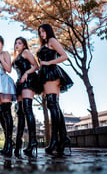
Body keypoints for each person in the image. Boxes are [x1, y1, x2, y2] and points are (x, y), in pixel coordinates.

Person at [36, 23, 73, 155]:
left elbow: (64, 56)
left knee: (52, 105)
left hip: (52, 73)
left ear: (48, 31)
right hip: (45, 74)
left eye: (43, 31)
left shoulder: (52, 40)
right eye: (40, 32)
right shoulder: (45, 44)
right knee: (54, 105)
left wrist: (48, 62)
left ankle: (55, 140)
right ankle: (63, 138)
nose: (42, 34)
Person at [12, 37, 39, 158]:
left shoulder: (26, 52)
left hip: (28, 81)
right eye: (15, 43)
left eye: (20, 43)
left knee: (28, 109)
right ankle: (18, 144)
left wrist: (26, 73)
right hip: (20, 83)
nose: (17, 45)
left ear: (24, 45)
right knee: (20, 113)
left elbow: (36, 66)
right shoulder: (16, 56)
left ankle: (33, 141)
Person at [0, 34, 16, 157]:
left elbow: (9, 69)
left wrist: (0, 58)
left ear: (2, 44)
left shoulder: (5, 53)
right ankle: (9, 140)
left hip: (5, 82)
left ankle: (9, 144)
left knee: (6, 112)